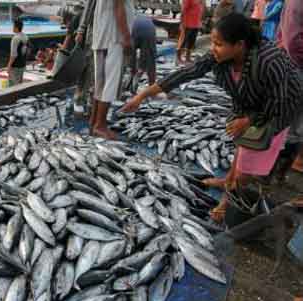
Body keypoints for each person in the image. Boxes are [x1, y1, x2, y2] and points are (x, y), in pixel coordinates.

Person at [120, 13, 303, 223]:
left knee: (249, 165)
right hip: (250, 105)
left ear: (239, 45)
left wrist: (248, 121)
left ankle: (227, 201)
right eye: (213, 42)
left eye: (218, 44)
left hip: (280, 108)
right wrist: (142, 96)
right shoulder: (220, 57)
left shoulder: (269, 61)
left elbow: (280, 101)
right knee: (242, 147)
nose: (213, 48)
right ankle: (229, 180)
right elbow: (185, 73)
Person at [88, 0, 134, 139]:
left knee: (100, 83)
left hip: (102, 37)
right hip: (114, 38)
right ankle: (100, 126)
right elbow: (119, 7)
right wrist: (126, 37)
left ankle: (94, 122)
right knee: (110, 83)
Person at [276, 0, 303, 173]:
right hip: (298, 65)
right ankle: (284, 165)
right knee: (294, 121)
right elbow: (293, 41)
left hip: (292, 62)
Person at [130, 15, 157, 87]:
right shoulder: (141, 18)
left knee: (131, 57)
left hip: (135, 29)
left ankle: (132, 82)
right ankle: (152, 85)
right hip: (150, 29)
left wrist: (133, 68)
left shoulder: (131, 17)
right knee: (151, 60)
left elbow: (132, 55)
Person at [177, 0, 204, 65]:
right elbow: (183, 10)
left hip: (196, 24)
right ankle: (178, 58)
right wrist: (181, 23)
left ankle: (188, 58)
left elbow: (201, 9)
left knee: (192, 42)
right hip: (187, 23)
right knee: (183, 41)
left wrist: (200, 21)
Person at [7, 19, 28, 86]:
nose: (12, 28)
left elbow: (14, 54)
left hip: (15, 65)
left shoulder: (15, 38)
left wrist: (9, 65)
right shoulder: (25, 36)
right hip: (22, 64)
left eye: (13, 26)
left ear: (16, 27)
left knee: (13, 85)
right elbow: (28, 50)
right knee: (19, 84)